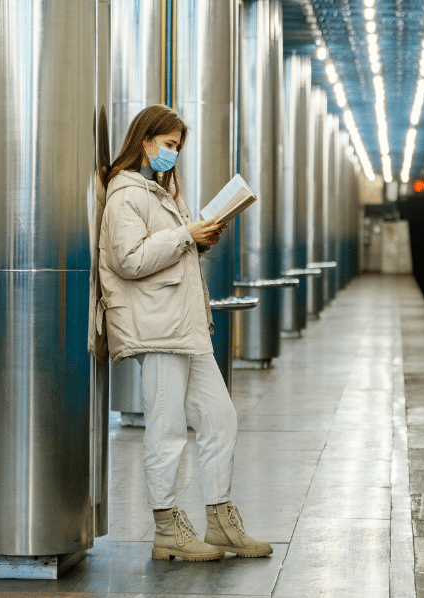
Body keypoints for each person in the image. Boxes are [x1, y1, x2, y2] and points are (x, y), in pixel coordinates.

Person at [96, 104, 272, 562]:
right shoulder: (125, 195)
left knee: (221, 418)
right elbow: (129, 260)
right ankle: (167, 526)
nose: (173, 154)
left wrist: (197, 236)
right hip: (156, 328)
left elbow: (167, 253)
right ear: (146, 141)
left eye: (177, 147)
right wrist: (185, 236)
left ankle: (219, 519)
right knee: (166, 427)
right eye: (169, 145)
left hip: (185, 327)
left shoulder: (161, 193)